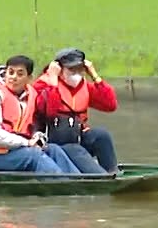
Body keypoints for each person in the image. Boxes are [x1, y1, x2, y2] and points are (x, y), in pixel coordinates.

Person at [0, 55, 82, 174]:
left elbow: (35, 126)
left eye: (20, 74)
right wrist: (26, 143)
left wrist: (37, 138)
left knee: (53, 150)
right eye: (11, 72)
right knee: (34, 156)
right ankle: (64, 187)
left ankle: (80, 185)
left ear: (29, 78)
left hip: (16, 151)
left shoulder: (31, 96)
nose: (14, 77)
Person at [33, 47, 120, 175]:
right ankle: (100, 176)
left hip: (78, 138)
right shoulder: (43, 86)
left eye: (80, 69)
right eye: (71, 69)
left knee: (102, 135)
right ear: (59, 68)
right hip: (54, 145)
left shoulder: (83, 86)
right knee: (75, 150)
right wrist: (53, 81)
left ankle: (112, 172)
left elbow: (110, 105)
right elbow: (50, 112)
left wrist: (95, 76)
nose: (76, 73)